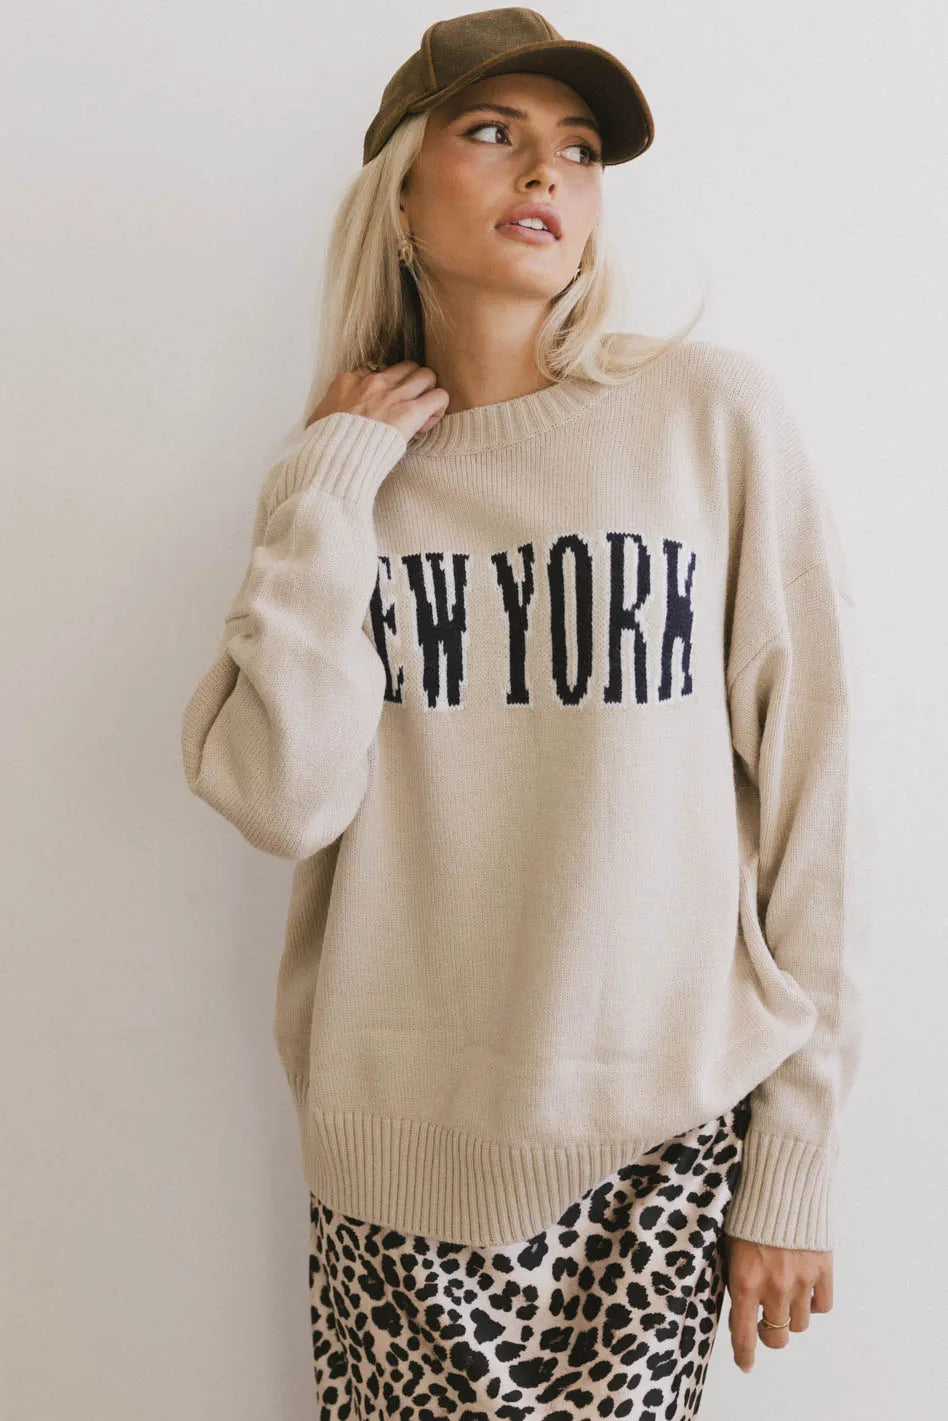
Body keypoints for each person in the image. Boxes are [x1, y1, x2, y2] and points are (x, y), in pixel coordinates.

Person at [180, 8, 868, 1416]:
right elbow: (279, 797)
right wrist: (329, 481)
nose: (547, 172)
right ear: (400, 195)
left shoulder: (706, 421)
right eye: (492, 134)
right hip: (393, 1174)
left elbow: (816, 804)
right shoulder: (341, 485)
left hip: (654, 1156)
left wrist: (791, 1164)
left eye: (580, 149)